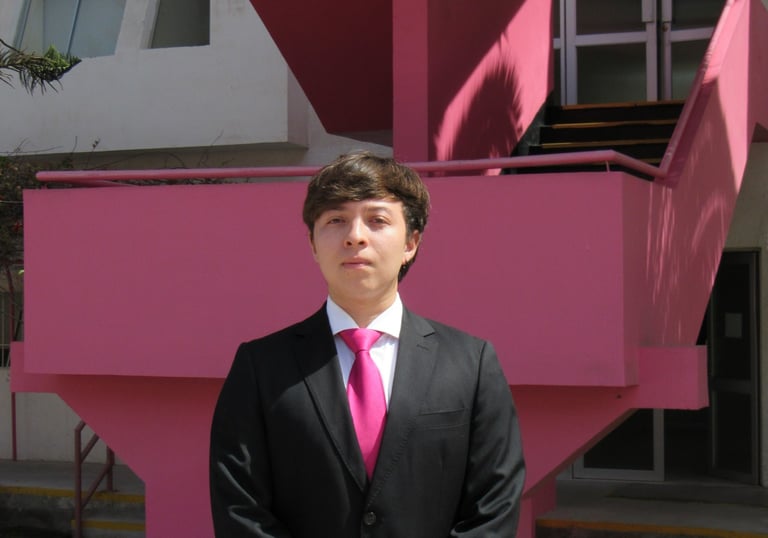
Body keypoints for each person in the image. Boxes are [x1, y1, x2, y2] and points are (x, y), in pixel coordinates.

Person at [209, 151, 526, 537]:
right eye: (336, 220)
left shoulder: (471, 363)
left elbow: (494, 506)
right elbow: (240, 508)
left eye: (377, 220)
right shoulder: (260, 367)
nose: (355, 236)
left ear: (411, 242)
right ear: (312, 243)